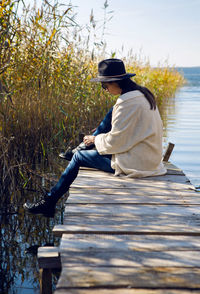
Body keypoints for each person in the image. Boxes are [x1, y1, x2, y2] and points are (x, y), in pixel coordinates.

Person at [24, 58, 167, 218]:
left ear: (115, 82)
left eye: (104, 85)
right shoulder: (142, 95)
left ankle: (48, 203)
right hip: (149, 157)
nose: (104, 89)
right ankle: (82, 148)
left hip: (138, 163)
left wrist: (95, 140)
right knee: (111, 112)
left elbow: (116, 143)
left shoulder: (126, 104)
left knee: (78, 157)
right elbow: (124, 137)